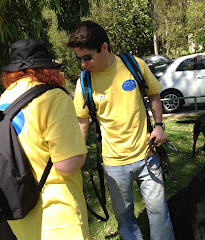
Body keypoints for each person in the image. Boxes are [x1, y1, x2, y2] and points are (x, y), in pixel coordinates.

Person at [67, 21, 175, 240]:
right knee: (125, 218)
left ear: (104, 47)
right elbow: (82, 123)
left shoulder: (134, 65)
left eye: (87, 57)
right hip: (114, 164)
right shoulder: (84, 82)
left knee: (159, 213)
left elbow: (154, 94)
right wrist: (78, 159)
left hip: (147, 155)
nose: (83, 64)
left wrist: (159, 126)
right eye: (79, 59)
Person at [0, 39, 90, 239]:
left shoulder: (4, 99)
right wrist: (81, 149)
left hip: (20, 213)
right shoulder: (53, 98)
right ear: (47, 69)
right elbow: (67, 164)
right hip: (58, 216)